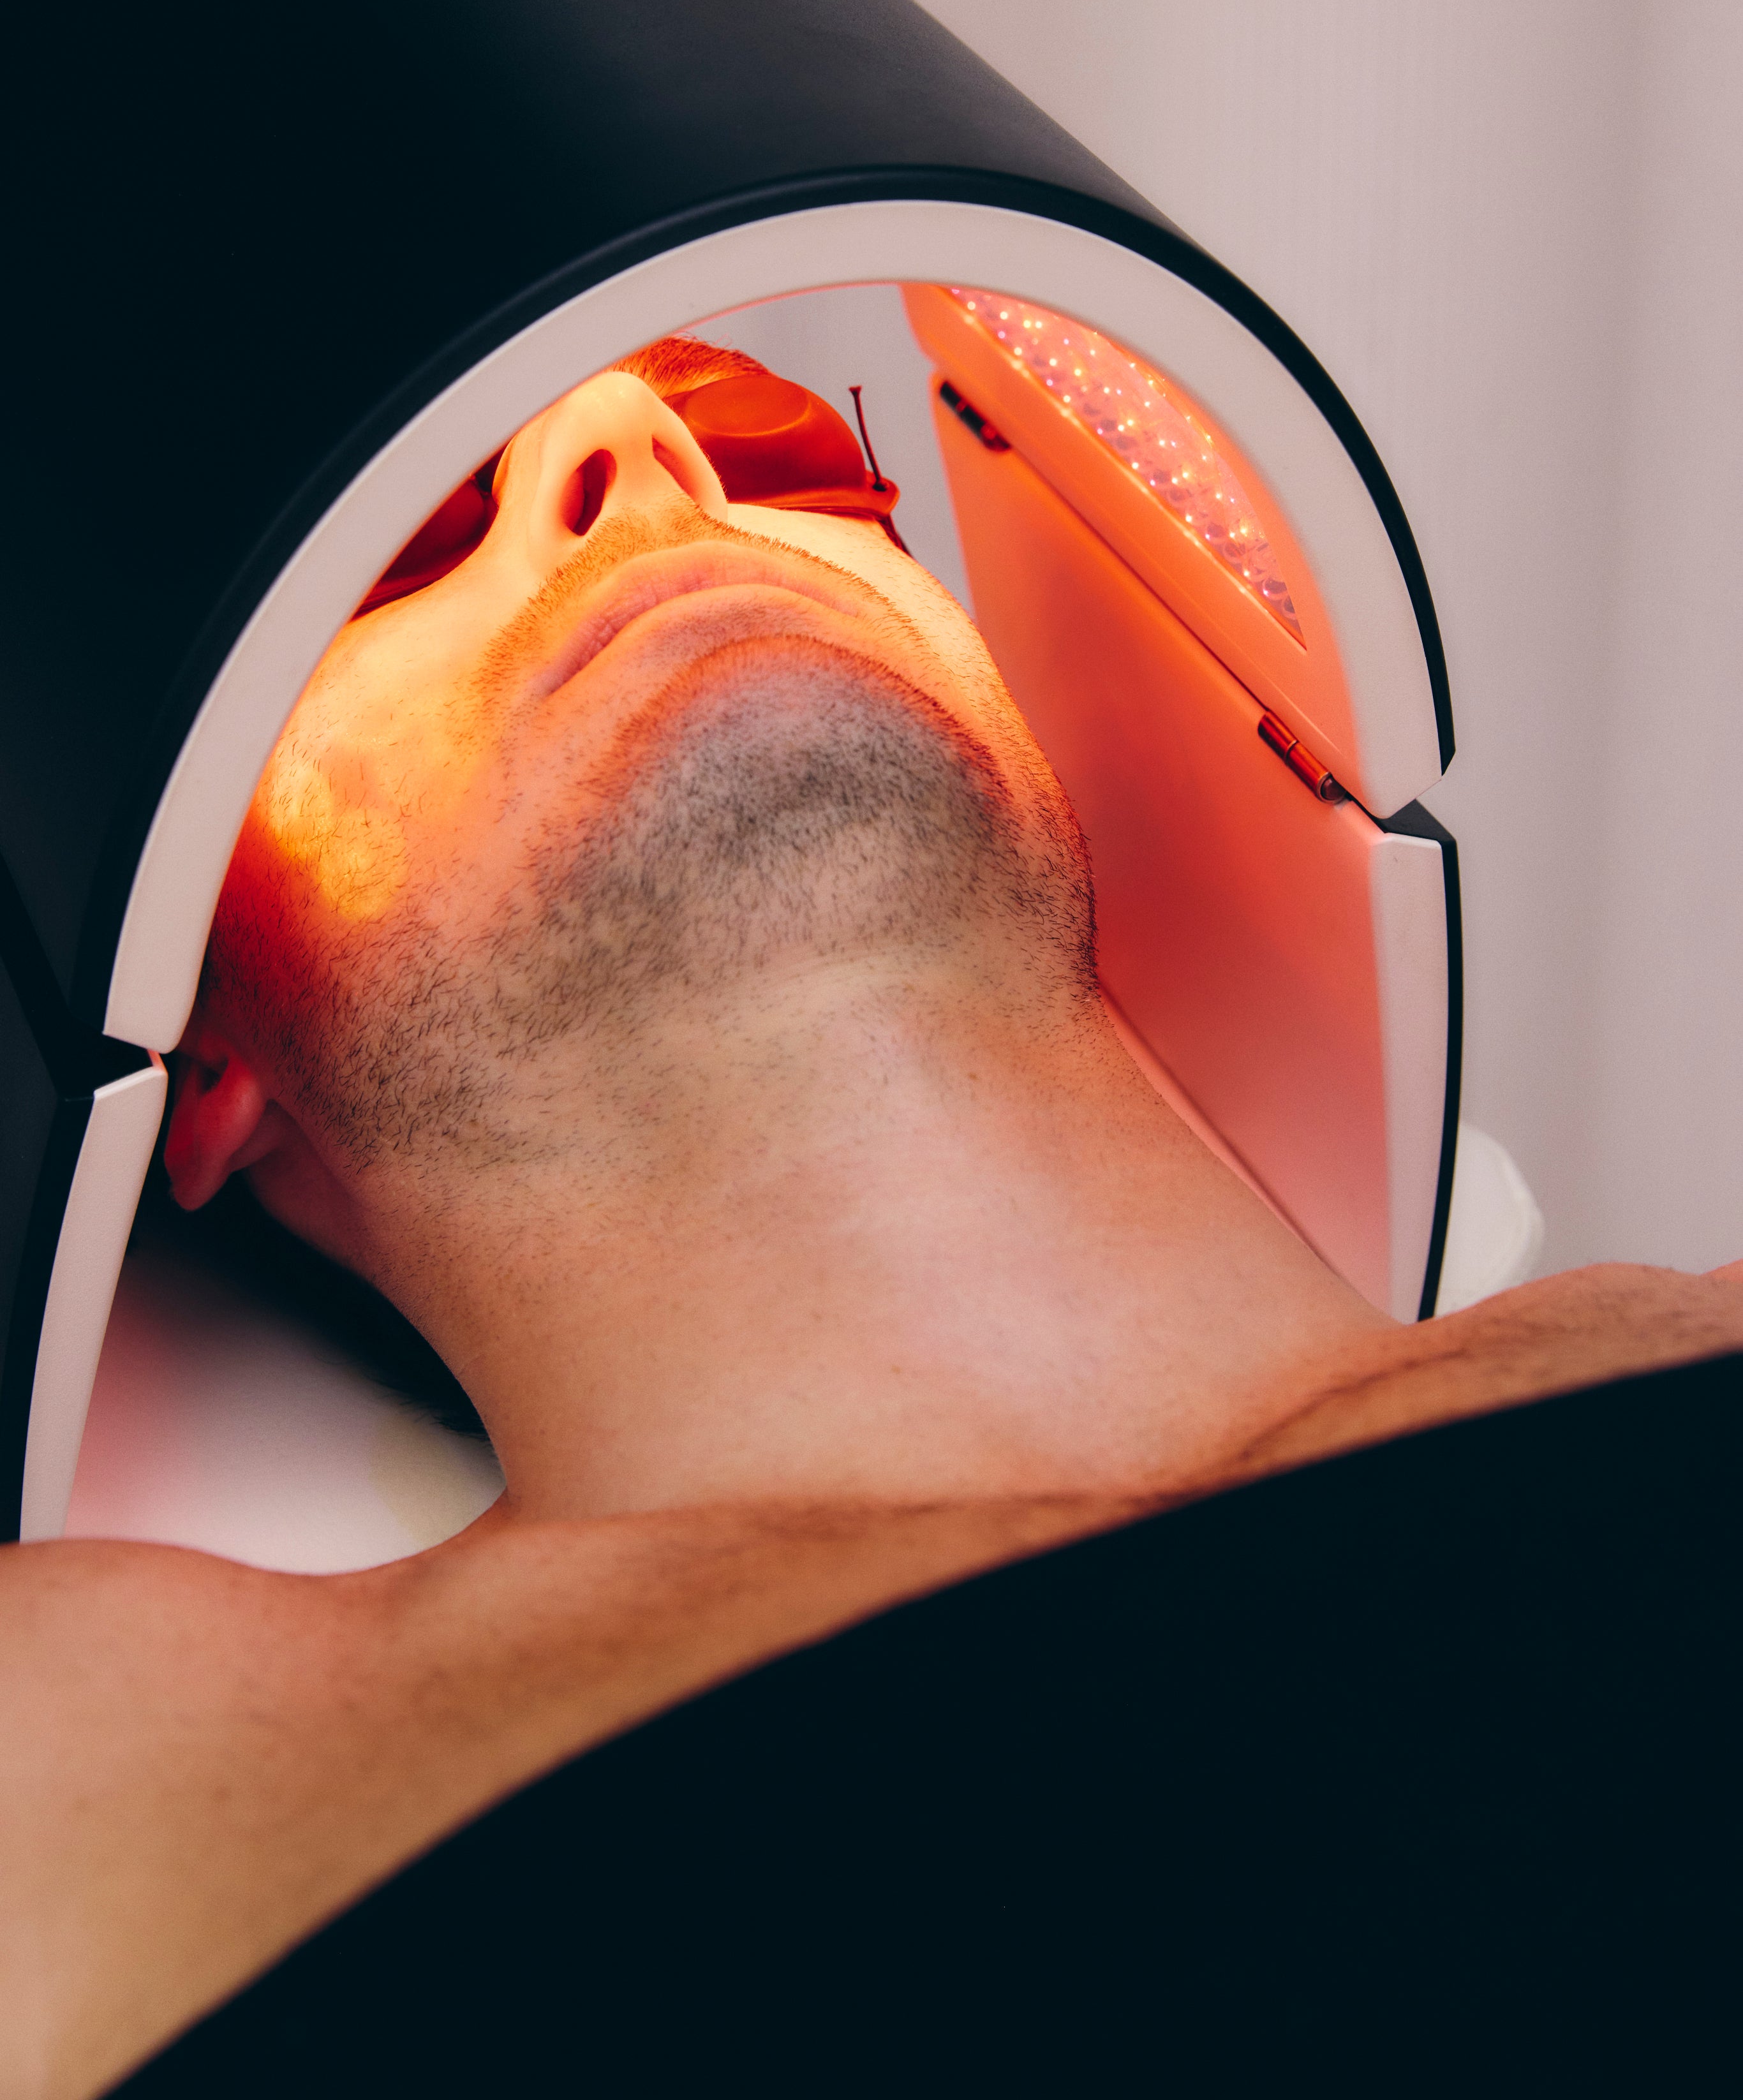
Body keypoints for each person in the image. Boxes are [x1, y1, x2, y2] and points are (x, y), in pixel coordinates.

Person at [3, 337, 1739, 2099]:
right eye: (398, 535)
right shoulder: (78, 1768)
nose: (638, 440)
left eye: (783, 455)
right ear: (194, 1043)